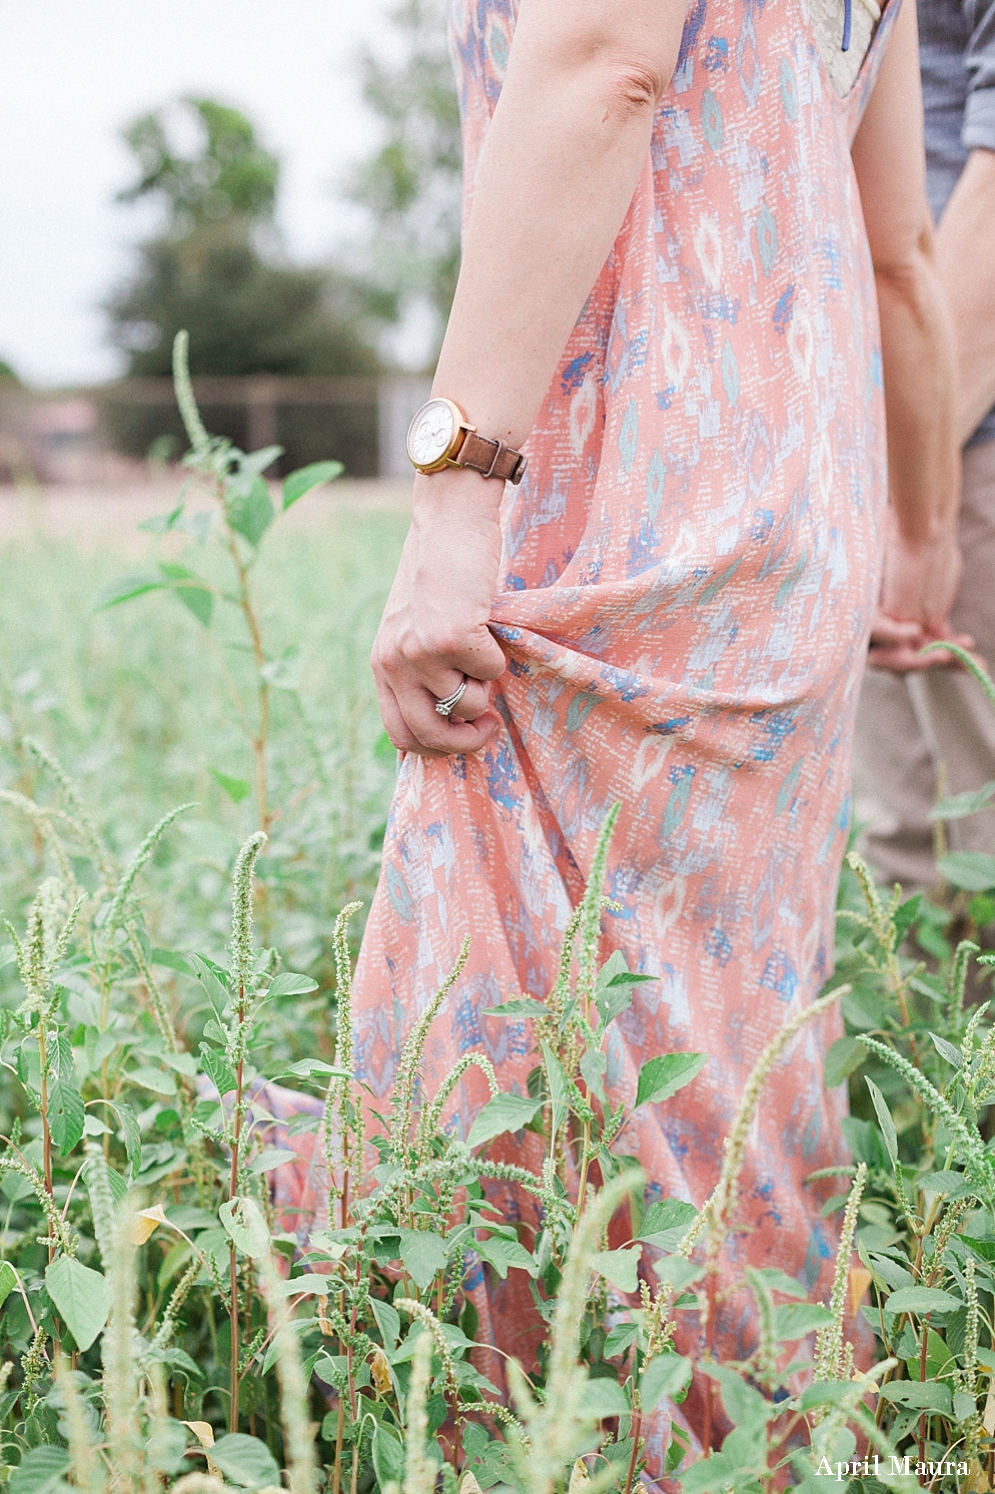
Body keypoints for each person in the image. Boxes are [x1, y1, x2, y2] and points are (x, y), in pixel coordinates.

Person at [352, 0, 958, 1438]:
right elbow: (897, 253)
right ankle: (773, 1446)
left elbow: (597, 65)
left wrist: (455, 490)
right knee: (724, 1064)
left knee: (485, 1057)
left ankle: (542, 1452)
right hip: (789, 507)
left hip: (624, 506)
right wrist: (914, 526)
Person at [854, 0, 995, 888]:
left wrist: (914, 496)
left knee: (975, 842)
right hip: (871, 438)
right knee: (904, 865)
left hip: (958, 441)